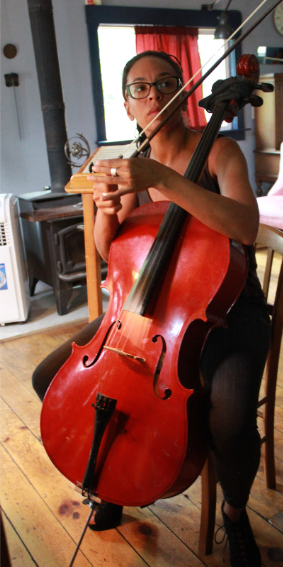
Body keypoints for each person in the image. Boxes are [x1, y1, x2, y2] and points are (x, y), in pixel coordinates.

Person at [32, 51, 270, 567]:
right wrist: (108, 211)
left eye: (166, 83)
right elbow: (110, 252)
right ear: (127, 105)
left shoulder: (219, 153)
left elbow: (246, 229)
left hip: (225, 313)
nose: (154, 94)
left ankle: (234, 513)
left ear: (185, 93)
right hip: (147, 309)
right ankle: (115, 477)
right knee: (49, 380)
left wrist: (160, 177)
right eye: (140, 88)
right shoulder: (123, 161)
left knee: (229, 421)